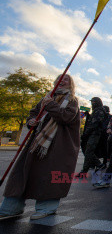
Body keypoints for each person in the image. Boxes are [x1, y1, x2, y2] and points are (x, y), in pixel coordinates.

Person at [0, 74, 80, 221]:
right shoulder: (46, 98)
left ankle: (47, 208)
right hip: (36, 143)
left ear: (71, 84)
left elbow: (66, 117)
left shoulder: (72, 101)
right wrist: (31, 121)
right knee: (22, 174)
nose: (61, 81)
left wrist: (50, 104)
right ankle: (11, 207)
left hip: (58, 147)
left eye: (66, 79)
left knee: (49, 176)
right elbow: (34, 113)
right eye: (59, 78)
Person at [80, 97, 106, 174]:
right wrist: (88, 115)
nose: (92, 104)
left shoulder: (99, 111)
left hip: (95, 134)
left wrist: (86, 134)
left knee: (89, 151)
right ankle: (99, 164)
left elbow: (94, 124)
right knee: (88, 151)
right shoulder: (96, 111)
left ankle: (84, 171)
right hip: (92, 133)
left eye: (93, 102)